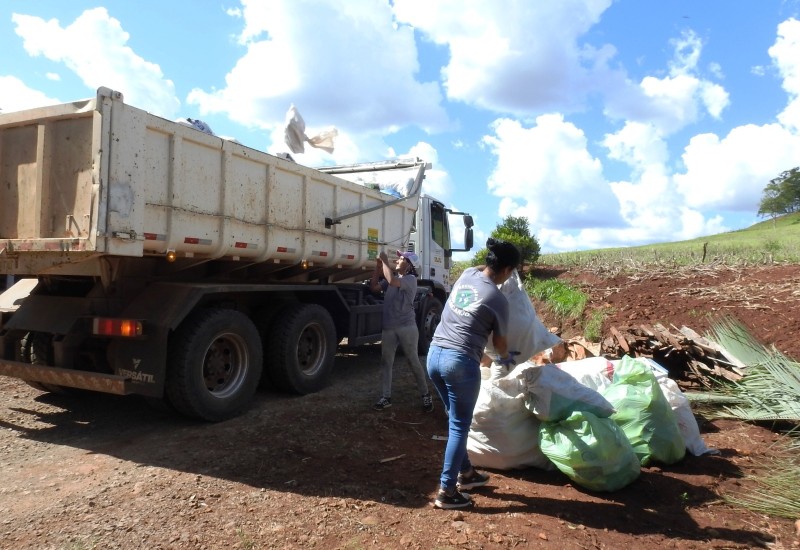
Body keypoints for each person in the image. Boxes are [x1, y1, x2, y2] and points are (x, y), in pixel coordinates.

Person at [426, 238, 521, 509]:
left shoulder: (468, 274)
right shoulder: (497, 299)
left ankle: (467, 474)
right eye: (512, 271)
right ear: (506, 270)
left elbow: (482, 266)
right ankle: (447, 492)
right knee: (459, 426)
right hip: (460, 363)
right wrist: (506, 358)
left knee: (454, 418)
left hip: (434, 355)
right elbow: (501, 345)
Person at [370, 250, 434, 413]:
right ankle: (386, 397)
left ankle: (426, 394)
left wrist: (384, 261)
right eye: (398, 258)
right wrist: (378, 268)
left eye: (402, 259)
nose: (398, 260)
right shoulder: (395, 279)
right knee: (386, 362)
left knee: (413, 361)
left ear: (410, 265)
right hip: (389, 327)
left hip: (407, 327)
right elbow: (375, 288)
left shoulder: (410, 280)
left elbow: (390, 280)